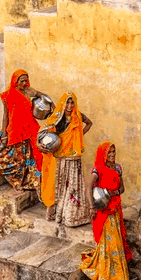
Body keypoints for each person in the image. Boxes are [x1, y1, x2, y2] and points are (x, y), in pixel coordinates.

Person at [78, 142, 131, 280]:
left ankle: (116, 273)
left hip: (115, 208)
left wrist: (113, 192)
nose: (112, 155)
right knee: (108, 241)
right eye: (109, 152)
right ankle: (106, 274)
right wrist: (91, 207)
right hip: (103, 210)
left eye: (113, 151)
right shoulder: (98, 170)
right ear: (103, 155)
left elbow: (122, 188)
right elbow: (88, 187)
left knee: (116, 241)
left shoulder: (118, 168)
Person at [40, 92, 93, 227]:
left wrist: (79, 136)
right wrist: (38, 144)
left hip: (74, 159)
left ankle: (72, 216)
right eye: (67, 102)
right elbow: (42, 132)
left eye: (72, 102)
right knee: (60, 186)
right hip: (61, 158)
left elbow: (89, 123)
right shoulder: (58, 117)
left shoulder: (78, 116)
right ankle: (57, 213)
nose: (70, 105)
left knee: (73, 187)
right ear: (63, 103)